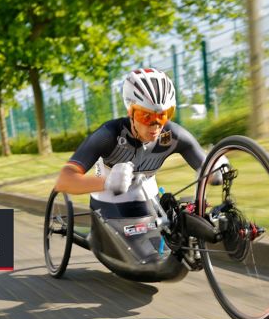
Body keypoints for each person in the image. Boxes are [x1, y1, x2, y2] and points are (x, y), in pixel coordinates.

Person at [55, 67, 226, 219]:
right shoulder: (109, 134)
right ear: (131, 112)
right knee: (129, 250)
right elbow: (64, 180)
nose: (156, 124)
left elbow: (205, 168)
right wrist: (106, 183)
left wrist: (213, 170)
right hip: (108, 197)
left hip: (148, 196)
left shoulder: (173, 134)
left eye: (163, 115)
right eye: (146, 116)